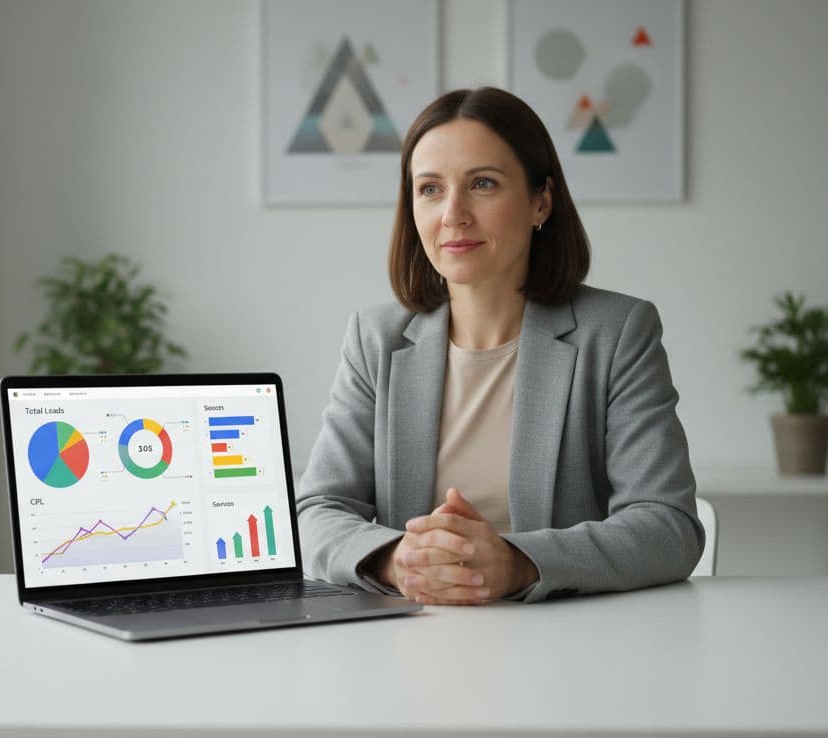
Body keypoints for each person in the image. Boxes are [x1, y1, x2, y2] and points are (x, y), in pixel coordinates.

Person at [296, 87, 702, 605]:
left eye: (482, 184)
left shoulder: (619, 332)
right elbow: (317, 511)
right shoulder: (374, 339)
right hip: (409, 643)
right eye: (430, 189)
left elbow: (669, 526)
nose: (453, 214)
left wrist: (517, 563)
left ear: (541, 201)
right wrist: (398, 560)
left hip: (572, 647)